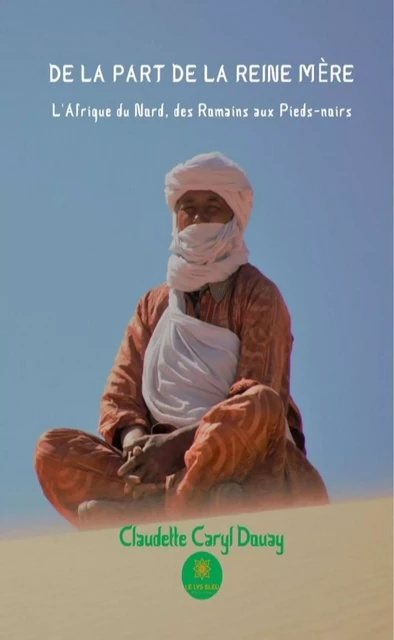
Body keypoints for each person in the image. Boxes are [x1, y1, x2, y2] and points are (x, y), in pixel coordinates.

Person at [34, 152, 329, 530]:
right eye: (187, 208)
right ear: (175, 217)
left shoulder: (258, 295)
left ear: (233, 218)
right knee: (52, 450)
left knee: (259, 406)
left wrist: (174, 449)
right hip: (154, 465)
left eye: (211, 207)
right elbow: (119, 397)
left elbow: (257, 399)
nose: (197, 218)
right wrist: (139, 448)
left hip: (236, 458)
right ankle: (170, 500)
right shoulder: (155, 305)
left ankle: (160, 512)